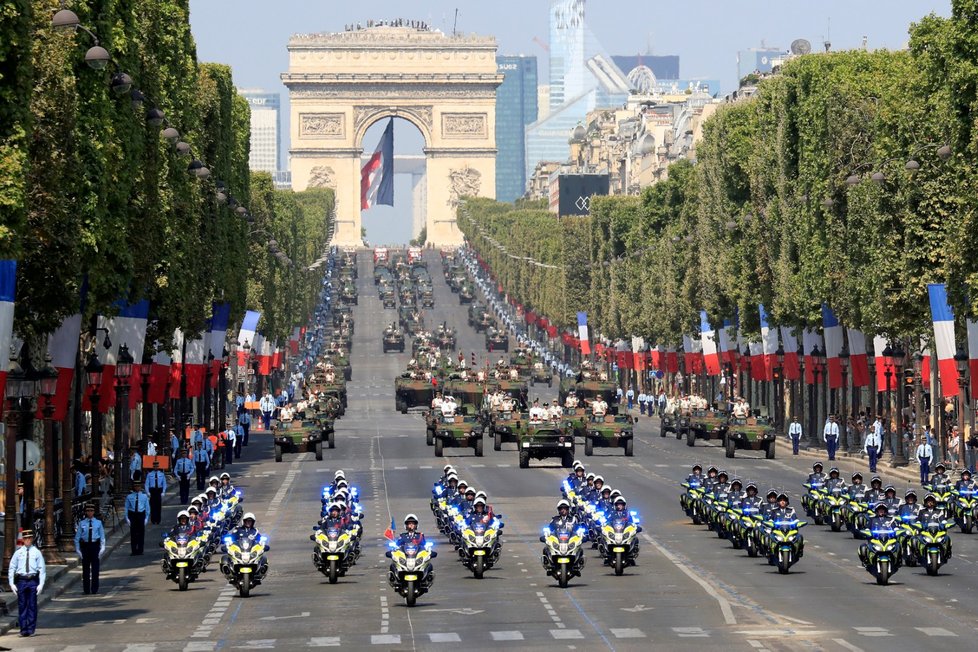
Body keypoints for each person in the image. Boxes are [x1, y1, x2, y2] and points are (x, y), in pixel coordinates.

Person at [8, 530, 45, 637]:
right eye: (25, 539)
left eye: (29, 538)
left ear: (32, 539)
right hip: (22, 580)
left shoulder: (36, 552)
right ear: (23, 540)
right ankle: (23, 629)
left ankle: (31, 629)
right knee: (22, 605)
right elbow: (12, 567)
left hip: (33, 580)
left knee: (32, 605)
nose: (27, 540)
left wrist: (41, 584)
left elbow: (42, 569)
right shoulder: (18, 552)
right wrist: (11, 583)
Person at [74, 504, 105, 594]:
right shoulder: (82, 523)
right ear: (86, 512)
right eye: (88, 511)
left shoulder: (98, 523)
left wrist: (102, 548)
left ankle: (94, 588)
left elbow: (102, 536)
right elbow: (77, 537)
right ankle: (86, 589)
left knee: (95, 569)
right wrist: (78, 549)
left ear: (93, 512)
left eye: (91, 511)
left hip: (95, 546)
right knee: (85, 570)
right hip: (85, 546)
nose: (90, 513)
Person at [859, 502, 895, 567]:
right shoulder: (872, 519)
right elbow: (867, 527)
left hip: (888, 540)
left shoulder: (890, 519)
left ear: (885, 511)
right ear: (877, 511)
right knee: (863, 546)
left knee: (897, 545)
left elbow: (895, 527)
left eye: (882, 510)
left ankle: (897, 560)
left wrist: (896, 530)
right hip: (875, 540)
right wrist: (867, 531)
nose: (881, 511)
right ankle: (866, 561)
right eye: (879, 510)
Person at [125, 481, 150, 555]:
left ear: (140, 487)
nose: (137, 488)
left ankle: (140, 550)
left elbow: (147, 507)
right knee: (133, 534)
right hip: (132, 515)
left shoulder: (144, 496)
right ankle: (133, 550)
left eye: (138, 486)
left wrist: (146, 518)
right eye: (135, 486)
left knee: (141, 533)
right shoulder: (129, 496)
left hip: (141, 514)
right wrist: (127, 518)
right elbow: (126, 508)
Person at [145, 460, 167, 525]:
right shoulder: (149, 474)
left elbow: (164, 484)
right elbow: (146, 484)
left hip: (159, 491)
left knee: (158, 506)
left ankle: (158, 520)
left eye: (157, 466)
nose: (156, 467)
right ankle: (153, 520)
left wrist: (163, 491)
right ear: (153, 467)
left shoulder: (161, 474)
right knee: (152, 506)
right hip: (152, 491)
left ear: (158, 466)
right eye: (154, 466)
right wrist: (147, 492)